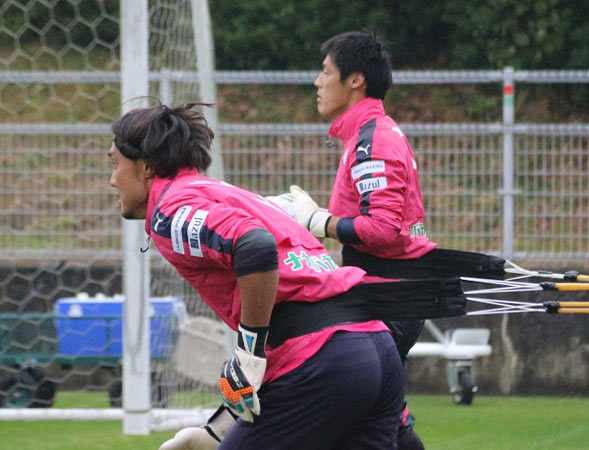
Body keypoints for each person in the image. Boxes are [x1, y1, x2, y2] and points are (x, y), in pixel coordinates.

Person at [108, 101, 405, 449]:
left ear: (145, 167)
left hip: (326, 357)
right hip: (374, 346)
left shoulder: (171, 210)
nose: (112, 180)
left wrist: (248, 352)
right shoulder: (224, 193)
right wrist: (217, 431)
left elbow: (254, 245)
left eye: (115, 164)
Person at [286, 30, 436, 450]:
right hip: (390, 294)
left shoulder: (373, 139)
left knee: (354, 426)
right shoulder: (369, 133)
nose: (317, 82)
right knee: (387, 424)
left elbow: (383, 229)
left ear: (355, 80)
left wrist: (317, 221)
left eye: (325, 72)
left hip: (389, 297)